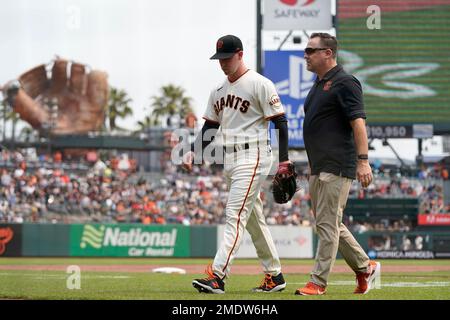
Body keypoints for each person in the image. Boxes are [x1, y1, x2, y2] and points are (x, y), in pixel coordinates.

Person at [182, 34, 291, 294]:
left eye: (227, 58)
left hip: (253, 155)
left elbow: (281, 122)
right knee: (253, 219)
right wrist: (193, 152)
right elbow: (210, 126)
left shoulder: (259, 84)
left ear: (241, 54)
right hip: (229, 158)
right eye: (219, 58)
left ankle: (218, 276)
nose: (223, 63)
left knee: (234, 215)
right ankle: (275, 276)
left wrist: (284, 160)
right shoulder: (218, 90)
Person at [296, 33, 380, 295]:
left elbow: (358, 123)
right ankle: (365, 266)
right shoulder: (318, 85)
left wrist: (363, 161)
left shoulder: (345, 82)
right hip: (318, 166)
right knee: (328, 223)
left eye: (311, 50)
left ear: (328, 53)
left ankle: (318, 282)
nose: (306, 55)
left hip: (337, 164)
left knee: (328, 224)